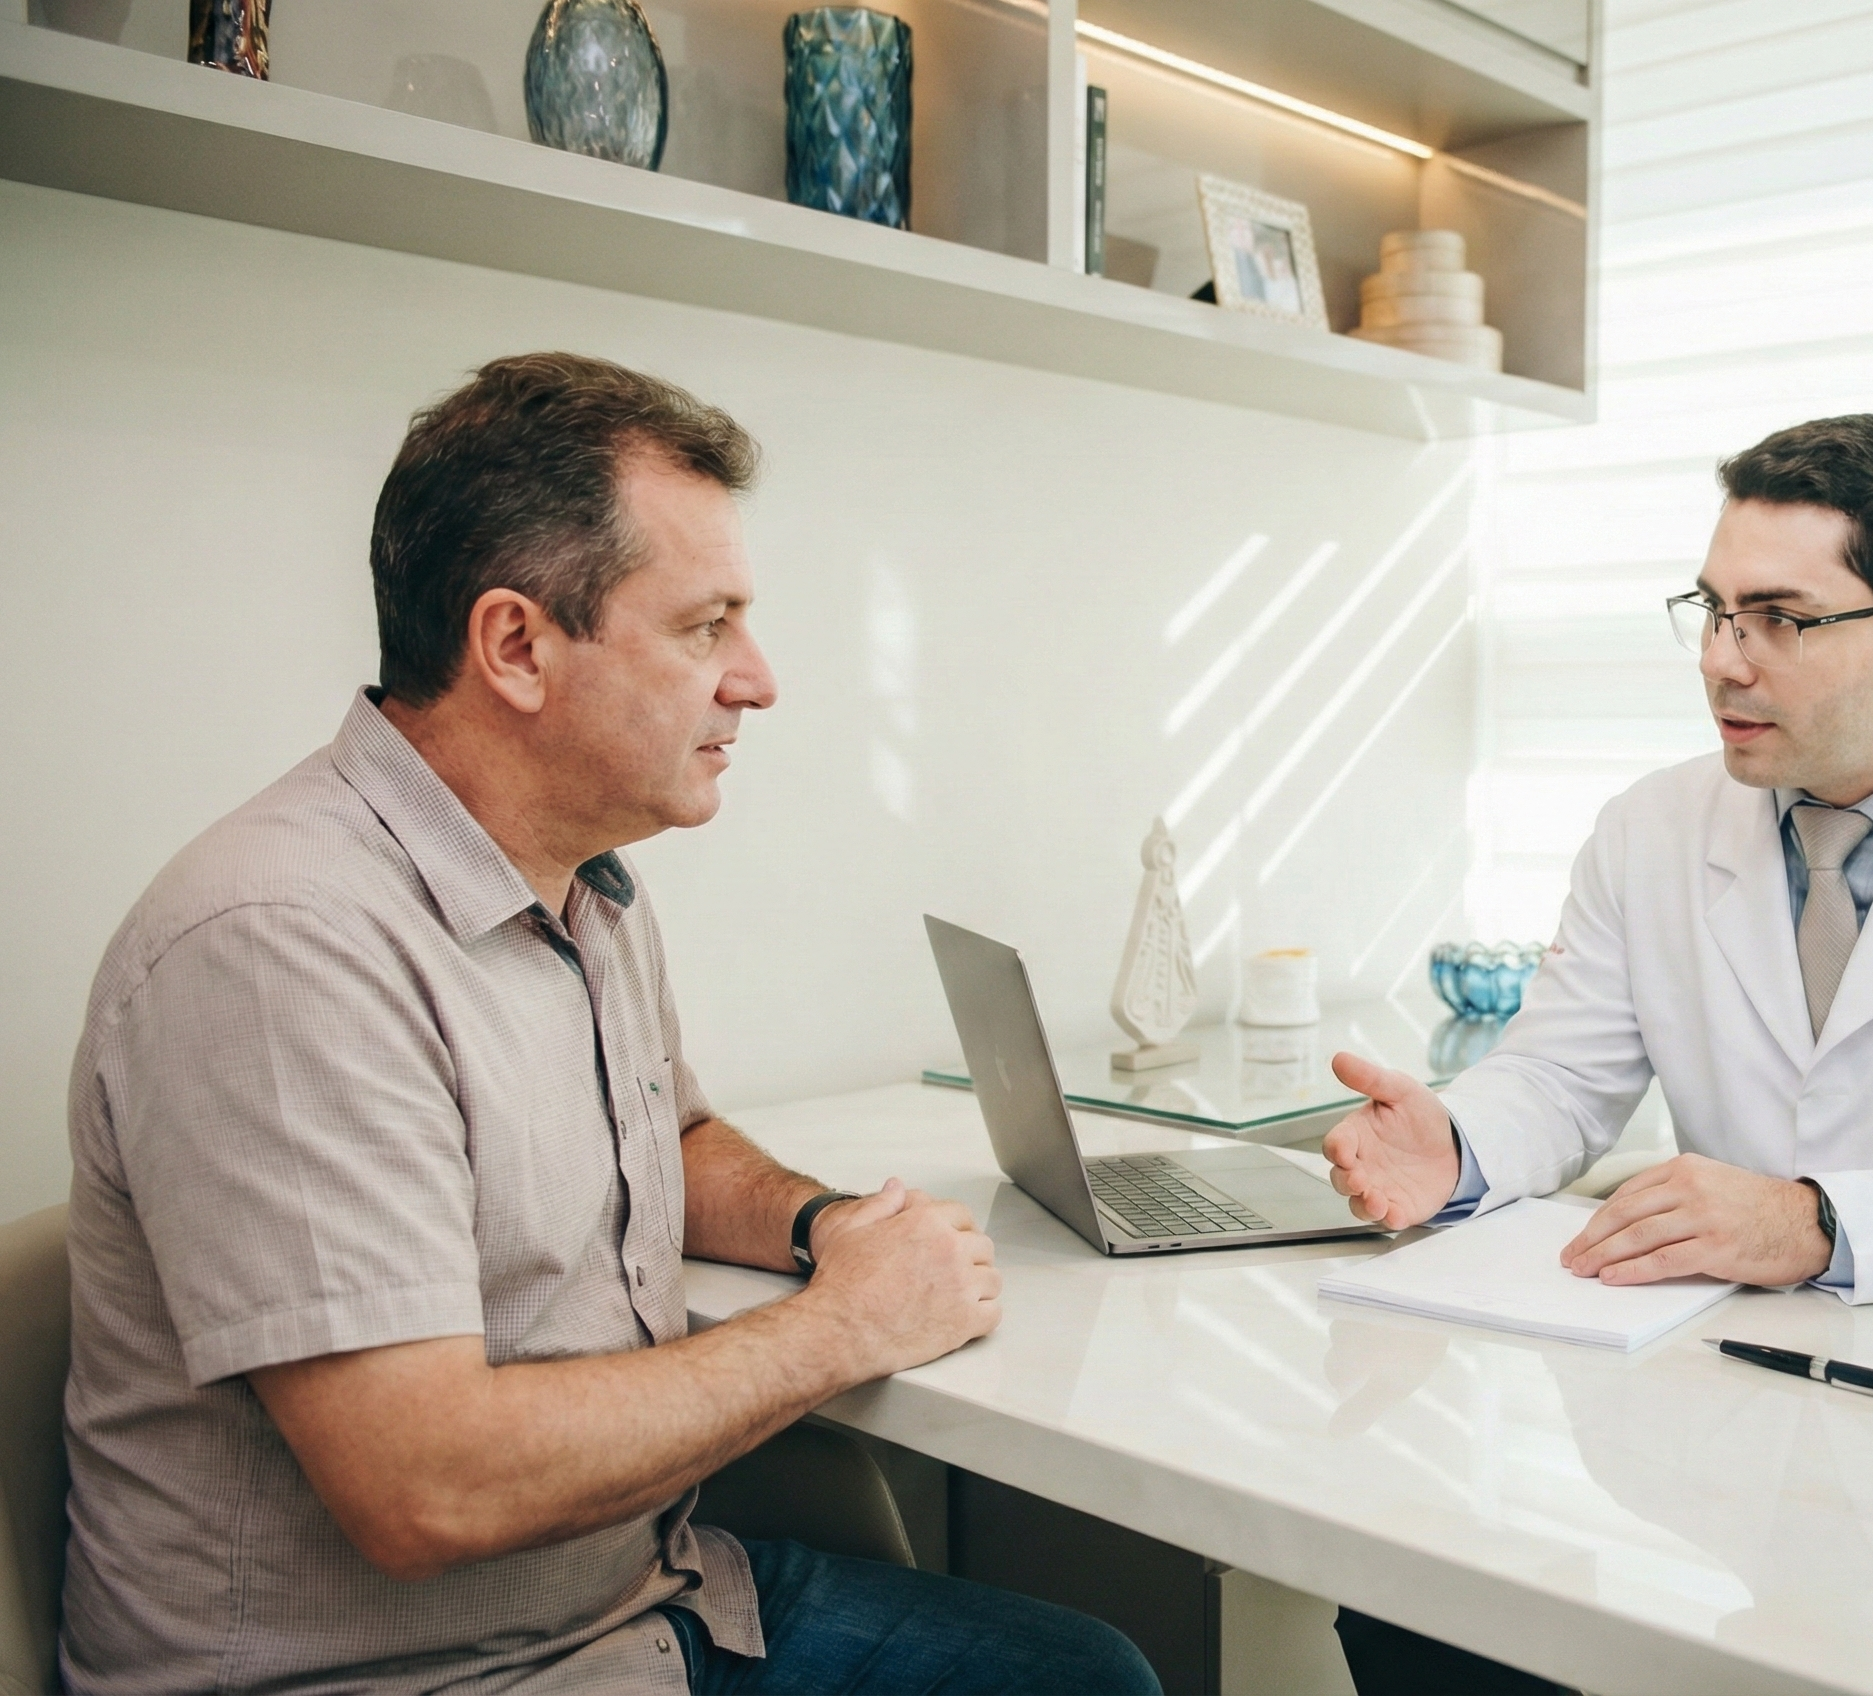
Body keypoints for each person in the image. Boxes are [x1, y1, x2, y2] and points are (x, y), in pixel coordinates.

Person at [59, 353, 1160, 1695]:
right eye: (706, 627)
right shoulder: (280, 947)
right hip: (420, 1674)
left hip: (634, 1600)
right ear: (516, 646)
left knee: (1087, 1671)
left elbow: (667, 1134)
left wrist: (826, 1232)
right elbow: (427, 1489)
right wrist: (840, 1328)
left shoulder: (580, 884)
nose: (756, 679)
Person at [1319, 414, 1873, 1694]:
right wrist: (1460, 1142)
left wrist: (1815, 1222)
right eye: (1708, 609)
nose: (1719, 662)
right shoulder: (1649, 829)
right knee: (1417, 1602)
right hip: (1725, 1415)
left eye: (1778, 620)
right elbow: (1560, 1078)